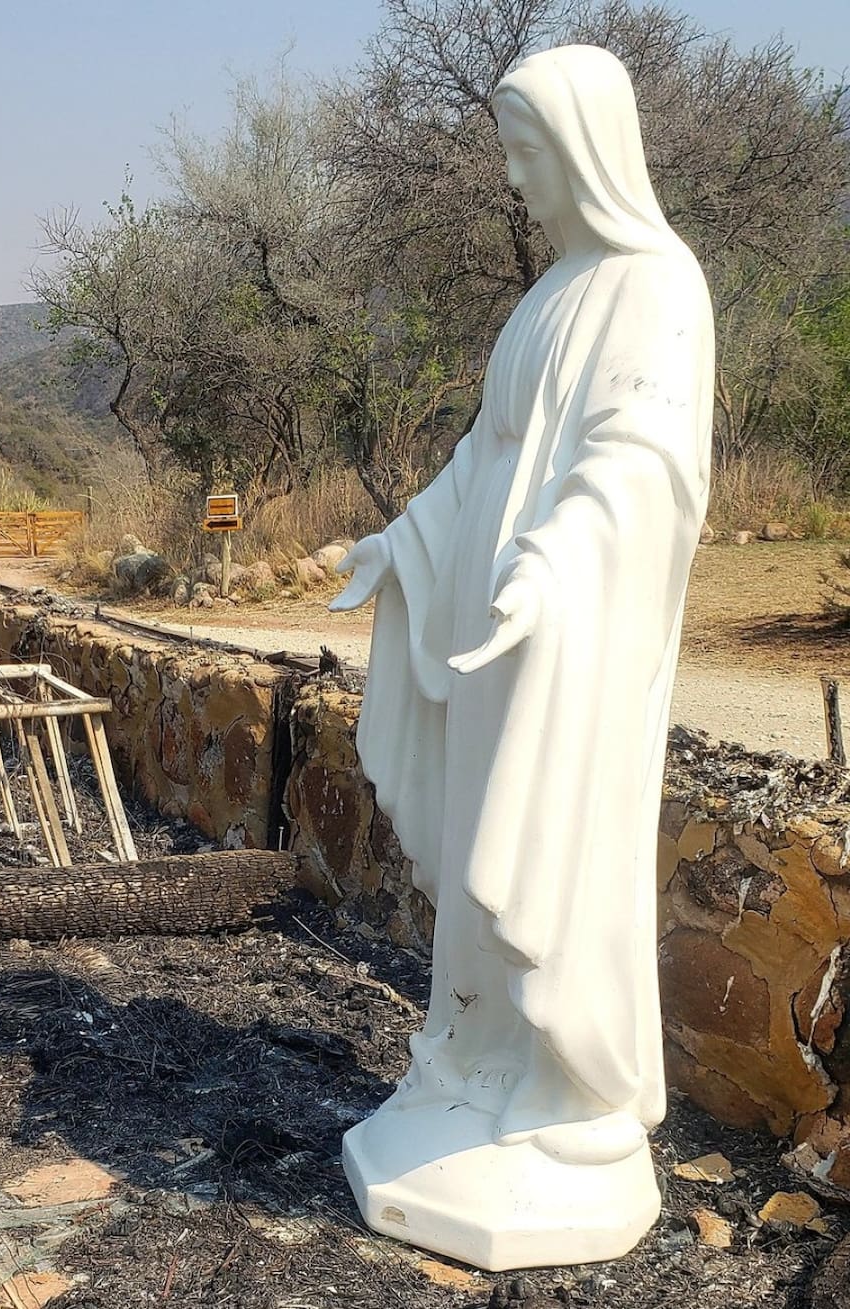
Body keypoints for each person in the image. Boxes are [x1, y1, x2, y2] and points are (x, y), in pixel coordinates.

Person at [333, 44, 713, 1172]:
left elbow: (639, 463)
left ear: (587, 151)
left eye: (526, 151)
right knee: (482, 842)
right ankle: (479, 1050)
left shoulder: (658, 286)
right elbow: (483, 459)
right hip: (488, 628)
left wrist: (551, 570)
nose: (512, 177)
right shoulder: (548, 295)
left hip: (567, 635)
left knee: (552, 838)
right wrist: (403, 541)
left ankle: (570, 1077)